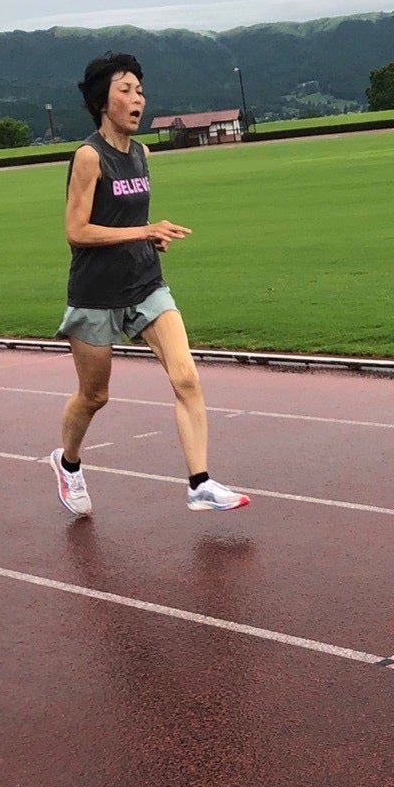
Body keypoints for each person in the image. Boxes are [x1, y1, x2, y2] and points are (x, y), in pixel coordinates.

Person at [49, 52, 249, 518]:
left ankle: (199, 484)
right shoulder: (88, 156)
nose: (137, 98)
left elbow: (128, 217)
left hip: (145, 284)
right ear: (102, 101)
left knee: (186, 377)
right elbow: (76, 231)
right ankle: (68, 463)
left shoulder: (141, 154)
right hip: (96, 293)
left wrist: (149, 238)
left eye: (139, 90)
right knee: (94, 396)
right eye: (125, 90)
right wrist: (142, 230)